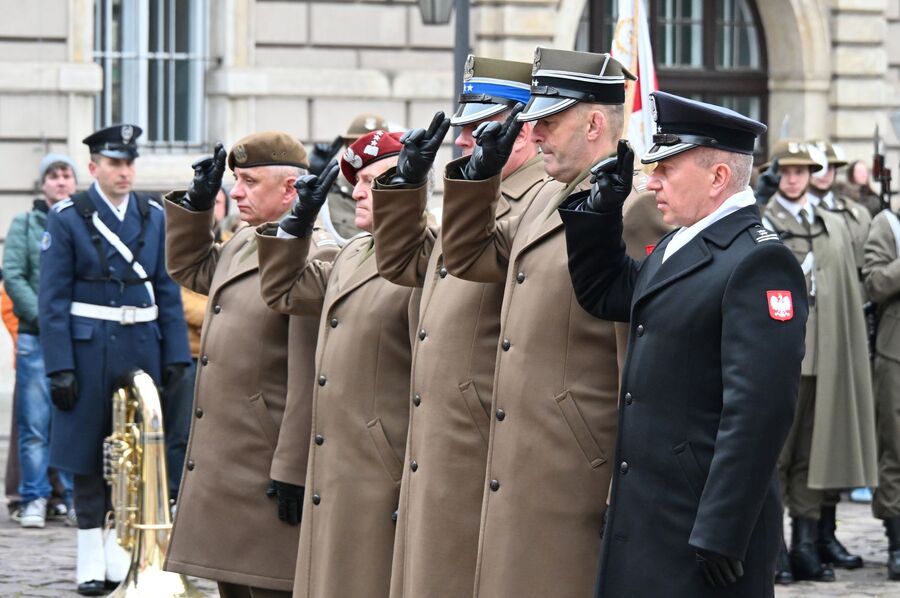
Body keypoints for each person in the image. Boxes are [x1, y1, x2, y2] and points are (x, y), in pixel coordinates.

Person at [438, 47, 669, 597]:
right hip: (523, 455)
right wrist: (477, 176)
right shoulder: (548, 198)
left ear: (594, 123)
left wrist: (621, 485)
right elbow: (469, 258)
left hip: (575, 468)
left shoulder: (632, 207)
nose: (534, 133)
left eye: (548, 120)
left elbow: (634, 361)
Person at [559, 91, 808, 597]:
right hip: (652, 510)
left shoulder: (757, 262)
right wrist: (600, 215)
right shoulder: (681, 242)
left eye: (666, 170)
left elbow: (759, 411)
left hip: (702, 525)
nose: (651, 183)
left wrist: (722, 529)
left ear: (718, 178)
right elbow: (607, 294)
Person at [369, 56, 559, 598]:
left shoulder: (539, 202)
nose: (464, 143)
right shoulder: (477, 194)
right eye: (466, 130)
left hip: (481, 434)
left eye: (479, 130)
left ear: (521, 129)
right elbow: (404, 262)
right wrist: (406, 185)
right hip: (439, 431)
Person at [163, 132, 337, 598]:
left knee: (269, 589)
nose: (235, 192)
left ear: (289, 191)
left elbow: (307, 376)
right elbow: (193, 269)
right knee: (232, 589)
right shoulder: (244, 240)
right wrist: (196, 207)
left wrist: (294, 467)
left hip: (267, 464)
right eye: (234, 180)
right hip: (228, 460)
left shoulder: (315, 253)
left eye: (248, 181)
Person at [255, 129, 419, 598]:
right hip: (336, 461)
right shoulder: (351, 253)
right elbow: (284, 291)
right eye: (357, 181)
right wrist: (297, 225)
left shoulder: (427, 253)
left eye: (374, 180)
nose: (359, 192)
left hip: (382, 464)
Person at [38, 124, 191, 596]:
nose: (124, 172)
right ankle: (89, 556)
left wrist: (176, 353)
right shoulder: (68, 218)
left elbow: (165, 288)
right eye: (114, 164)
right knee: (87, 453)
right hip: (87, 348)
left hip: (143, 340)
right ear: (94, 168)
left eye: (129, 163)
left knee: (141, 450)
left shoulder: (153, 213)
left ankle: (126, 552)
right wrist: (58, 365)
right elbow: (53, 299)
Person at [756, 139, 877, 584]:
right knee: (776, 456)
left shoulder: (832, 222)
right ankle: (775, 549)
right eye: (786, 171)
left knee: (812, 455)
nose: (793, 178)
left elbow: (849, 284)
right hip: (783, 355)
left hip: (826, 354)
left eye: (801, 171)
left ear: (811, 175)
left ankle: (807, 544)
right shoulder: (764, 221)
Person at [4, 153, 78, 529]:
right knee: (34, 424)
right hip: (36, 336)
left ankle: (69, 496)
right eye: (54, 175)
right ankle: (34, 497)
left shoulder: (83, 220)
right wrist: (45, 320)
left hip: (76, 338)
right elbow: (13, 275)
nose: (61, 181)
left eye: (67, 174)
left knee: (72, 421)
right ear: (43, 183)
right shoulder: (26, 224)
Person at [863, 203, 900, 580]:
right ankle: (897, 544)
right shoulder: (888, 224)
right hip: (896, 354)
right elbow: (874, 283)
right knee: (897, 450)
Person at [308, 112, 391, 244]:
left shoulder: (396, 194)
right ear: (347, 147)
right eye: (358, 146)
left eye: (374, 148)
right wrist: (311, 176)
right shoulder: (327, 192)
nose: (365, 155)